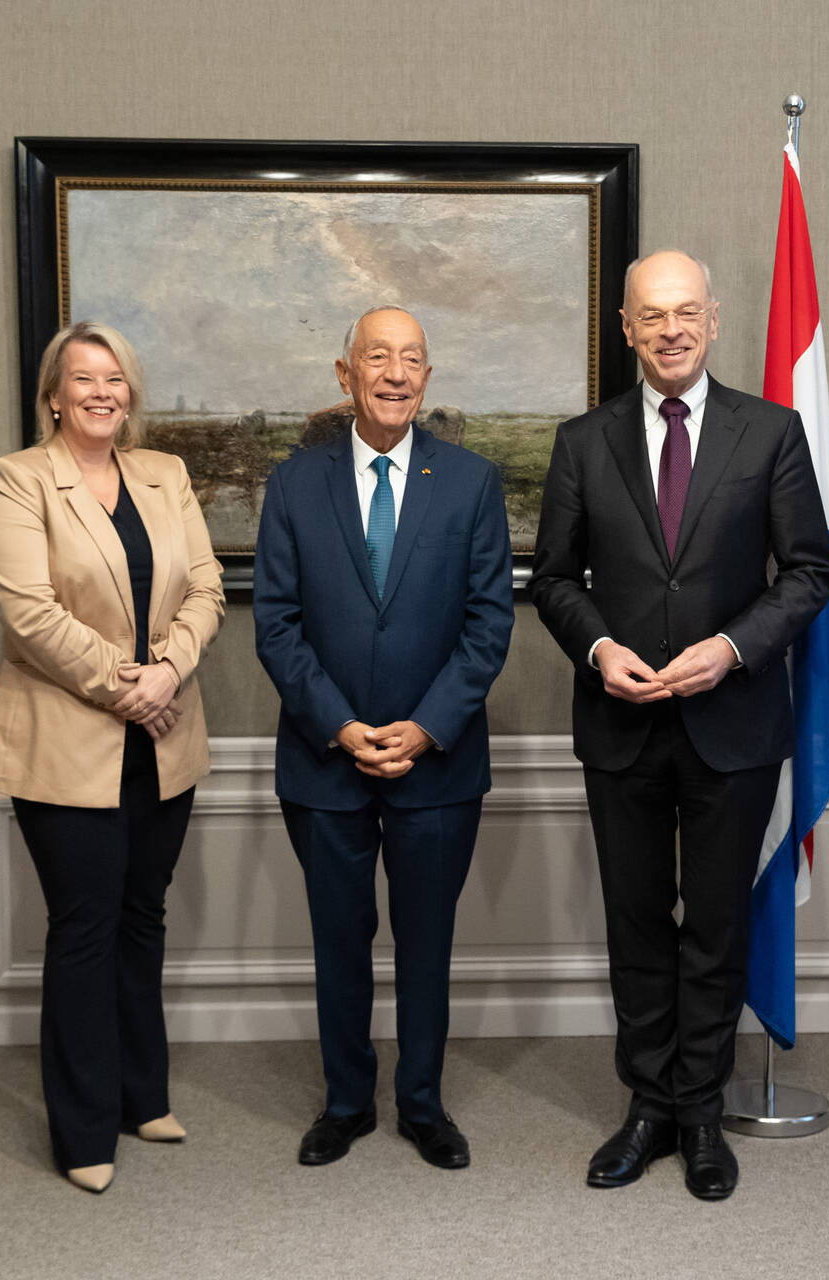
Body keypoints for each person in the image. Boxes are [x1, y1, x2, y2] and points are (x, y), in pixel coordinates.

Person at [529, 251, 829, 1201]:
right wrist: (598, 651)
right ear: (625, 328)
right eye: (651, 315)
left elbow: (809, 573)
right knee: (634, 924)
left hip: (732, 723)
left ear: (715, 321)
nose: (670, 330)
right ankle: (648, 1108)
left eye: (687, 313)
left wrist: (734, 650)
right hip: (621, 723)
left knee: (712, 926)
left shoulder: (773, 432)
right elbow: (551, 580)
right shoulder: (583, 442)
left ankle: (701, 1114)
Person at [254, 305, 513, 1171]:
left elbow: (488, 626)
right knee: (339, 941)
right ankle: (345, 1102)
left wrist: (427, 727)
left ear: (428, 379)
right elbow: (277, 627)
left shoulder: (471, 484)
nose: (396, 374)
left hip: (436, 764)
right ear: (344, 374)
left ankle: (424, 1105)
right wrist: (341, 725)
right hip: (325, 763)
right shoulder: (295, 485)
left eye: (412, 360)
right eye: (378, 358)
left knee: (427, 942)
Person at [0, 321, 224, 1194]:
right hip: (68, 740)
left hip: (163, 742)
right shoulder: (15, 482)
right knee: (84, 929)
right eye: (84, 378)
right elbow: (30, 616)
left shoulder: (165, 475)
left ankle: (139, 1096)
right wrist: (131, 685)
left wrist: (171, 671)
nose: (101, 391)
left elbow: (206, 586)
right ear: (54, 393)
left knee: (143, 917)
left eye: (115, 378)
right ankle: (83, 1129)